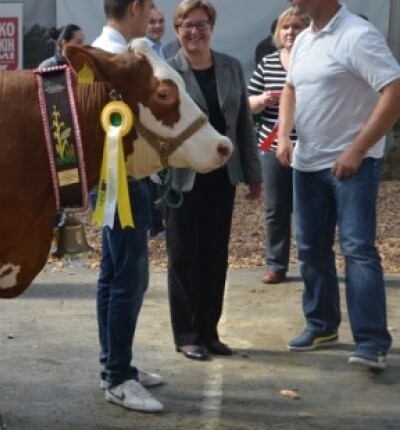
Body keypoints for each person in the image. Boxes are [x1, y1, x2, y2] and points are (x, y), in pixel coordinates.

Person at [277, 0, 399, 370]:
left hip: (352, 166)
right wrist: (284, 135)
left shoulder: (357, 36)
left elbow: (393, 91)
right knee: (311, 248)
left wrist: (357, 150)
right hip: (308, 163)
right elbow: (290, 88)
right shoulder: (304, 40)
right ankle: (321, 324)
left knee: (357, 249)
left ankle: (371, 341)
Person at [165, 0, 262, 361]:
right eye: (187, 25)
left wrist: (252, 174)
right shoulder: (168, 72)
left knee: (214, 255)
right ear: (177, 31)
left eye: (201, 24)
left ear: (211, 27)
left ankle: (209, 331)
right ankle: (187, 334)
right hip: (182, 179)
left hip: (222, 177)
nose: (195, 31)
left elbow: (243, 127)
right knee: (183, 255)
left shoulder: (231, 67)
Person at [91, 0, 165, 414]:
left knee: (113, 274)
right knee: (128, 279)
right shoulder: (116, 57)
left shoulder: (114, 52)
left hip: (121, 180)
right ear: (135, 7)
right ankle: (117, 377)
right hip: (120, 180)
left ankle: (116, 366)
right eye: (150, 5)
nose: (152, 12)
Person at [247, 8, 309, 285]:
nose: (290, 33)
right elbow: (247, 103)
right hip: (272, 145)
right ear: (277, 33)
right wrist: (262, 100)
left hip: (310, 144)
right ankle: (276, 264)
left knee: (308, 207)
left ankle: (311, 263)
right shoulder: (267, 63)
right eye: (285, 28)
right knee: (276, 208)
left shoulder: (314, 61)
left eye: (296, 27)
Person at [142, 7, 167, 240]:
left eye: (160, 21)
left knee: (158, 175)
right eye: (152, 22)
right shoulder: (141, 50)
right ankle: (152, 224)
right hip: (146, 122)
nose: (157, 26)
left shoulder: (163, 50)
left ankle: (158, 222)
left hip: (162, 121)